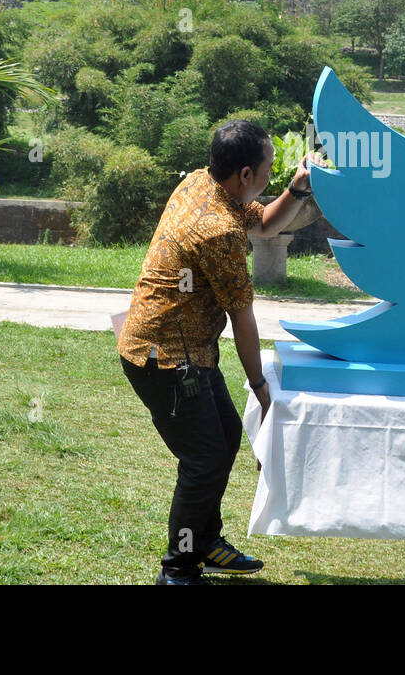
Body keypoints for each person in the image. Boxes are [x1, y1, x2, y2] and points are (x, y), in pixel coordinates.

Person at [117, 119, 315, 585]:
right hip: (162, 356)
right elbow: (244, 319)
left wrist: (296, 188)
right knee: (203, 460)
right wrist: (261, 388)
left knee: (224, 439)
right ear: (245, 174)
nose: (270, 174)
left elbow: (264, 223)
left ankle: (205, 542)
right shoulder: (217, 230)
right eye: (268, 168)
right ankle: (179, 567)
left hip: (188, 349)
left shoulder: (201, 182)